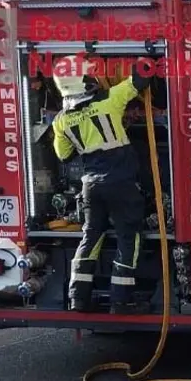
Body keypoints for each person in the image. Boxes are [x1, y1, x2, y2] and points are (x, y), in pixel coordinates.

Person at [52, 55, 155, 315]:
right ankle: (120, 301)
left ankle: (77, 298)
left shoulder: (61, 121)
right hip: (121, 184)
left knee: (91, 236)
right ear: (84, 81)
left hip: (91, 187)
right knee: (128, 238)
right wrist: (149, 54)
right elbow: (141, 78)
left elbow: (64, 156)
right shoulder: (110, 99)